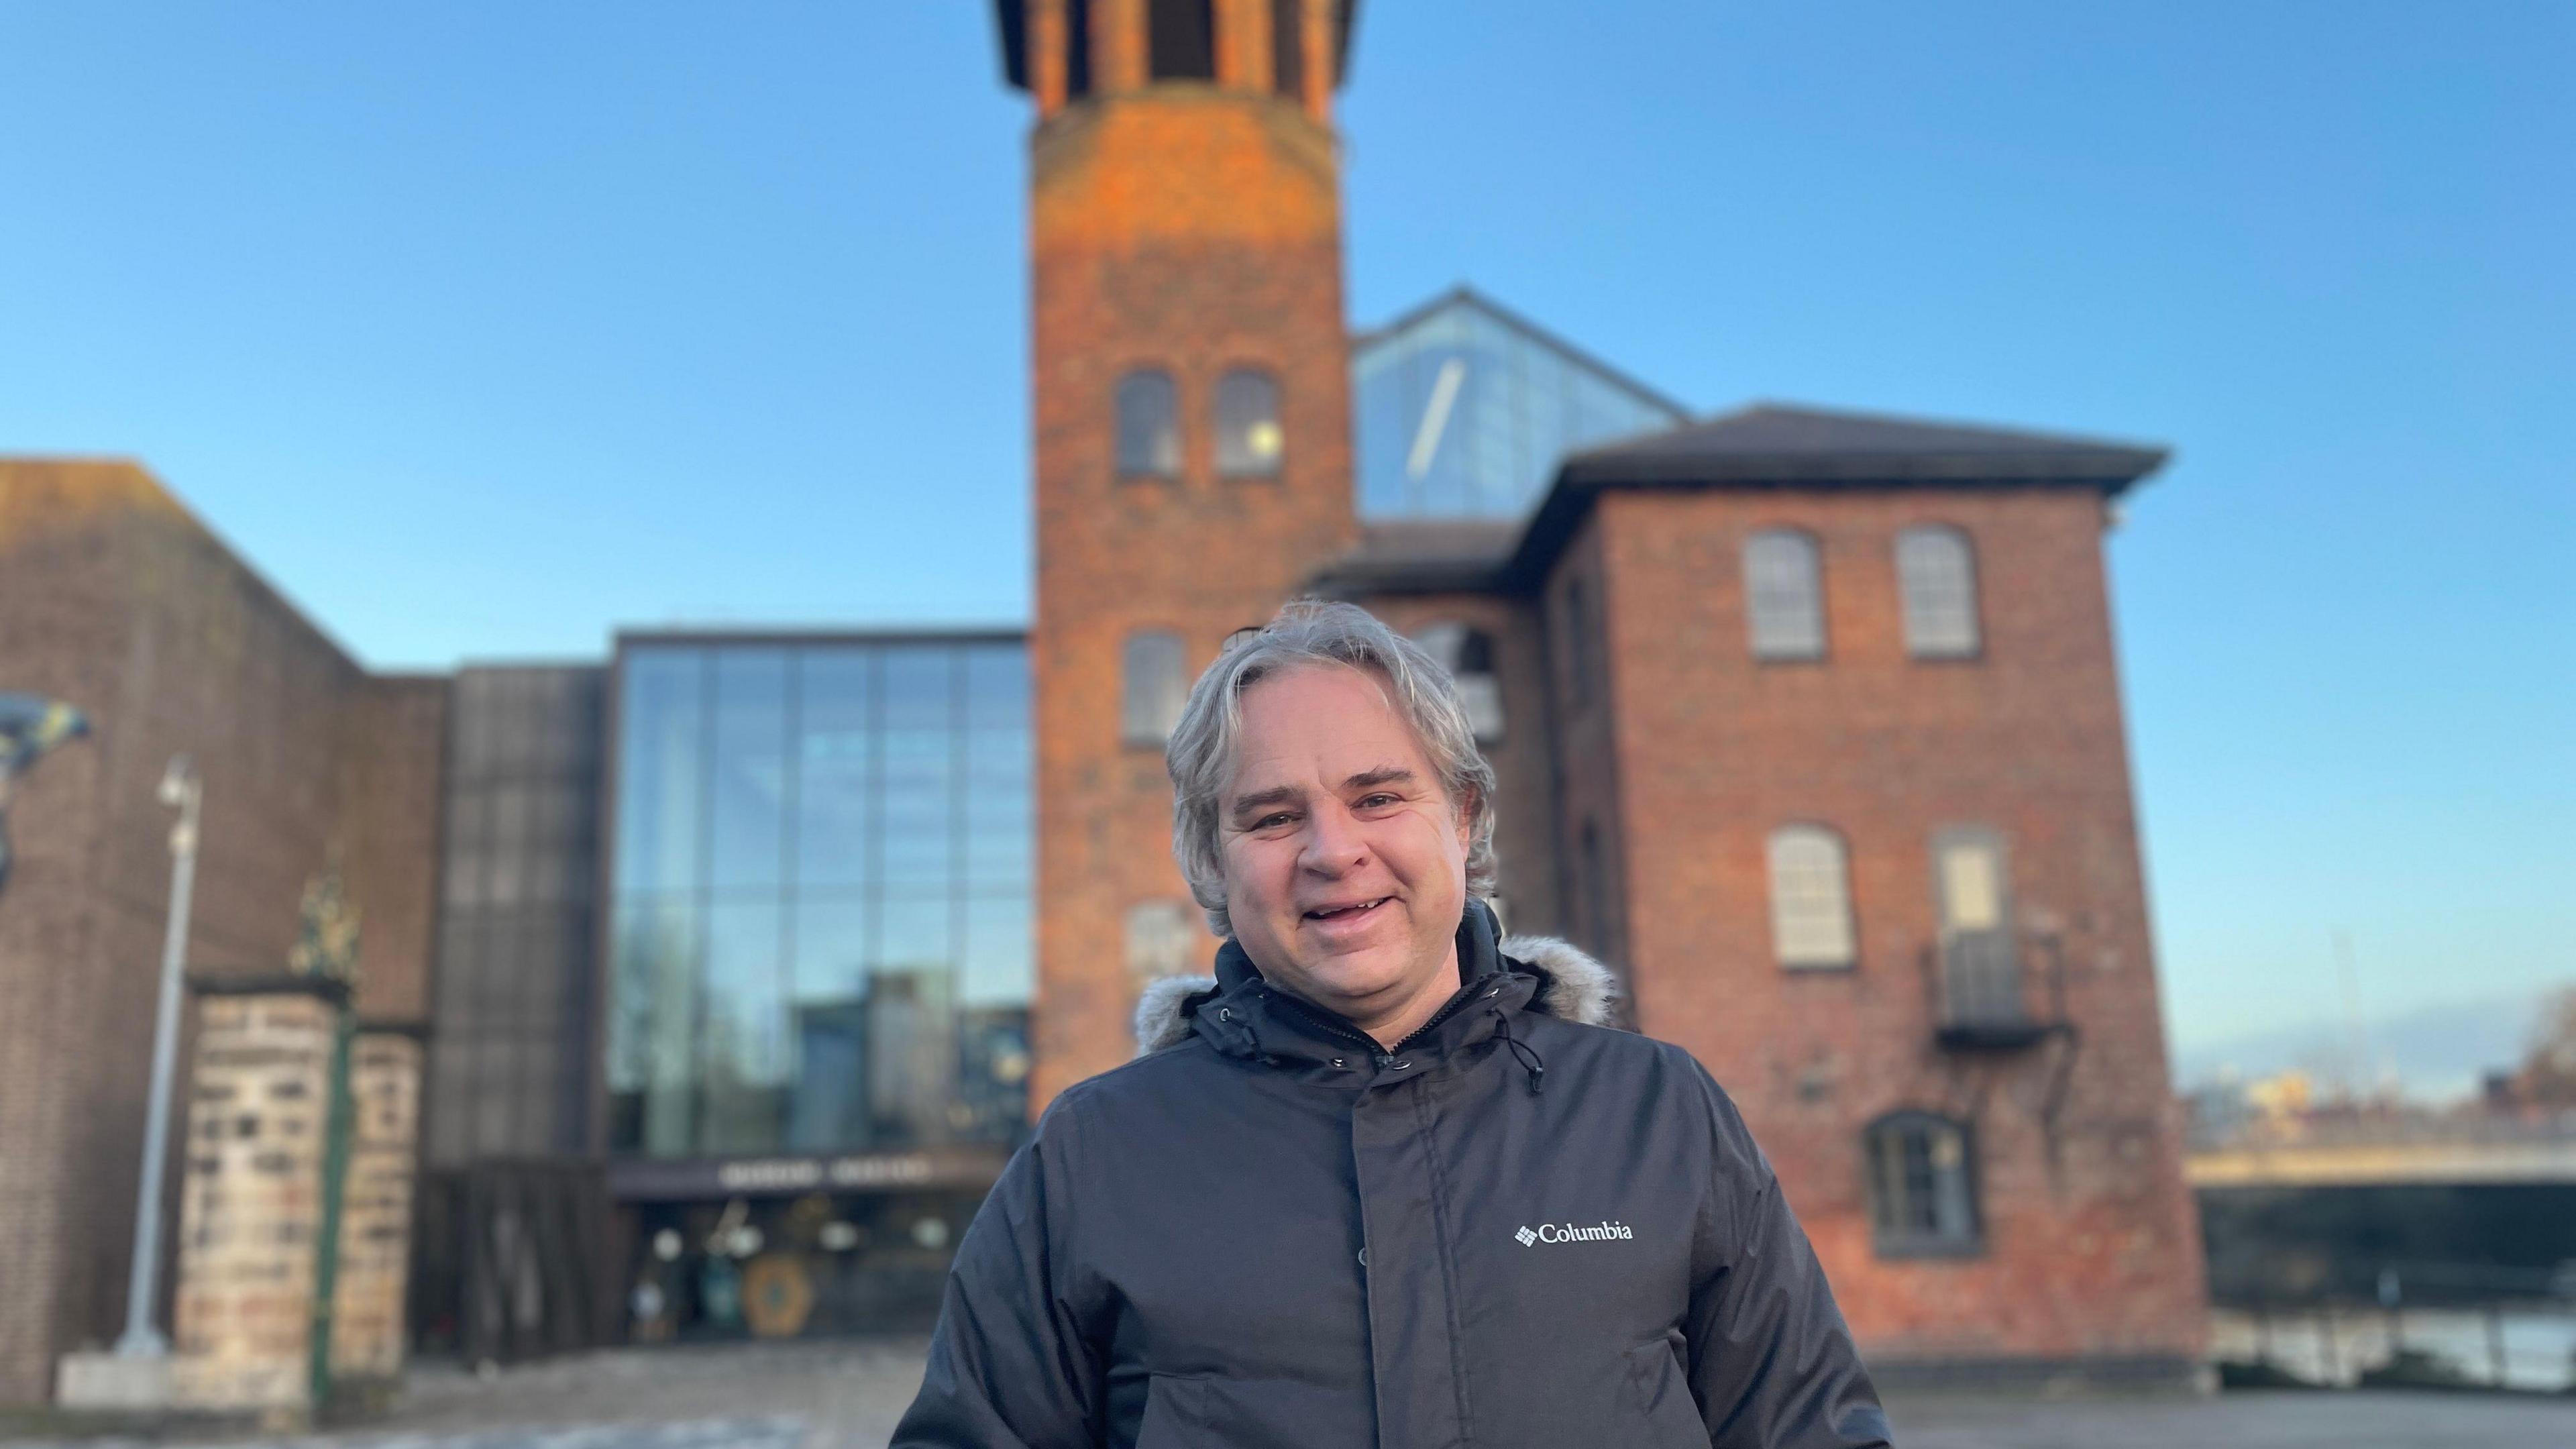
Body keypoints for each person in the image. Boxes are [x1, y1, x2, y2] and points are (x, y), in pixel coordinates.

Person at [894, 600, 1892, 1448]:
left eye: (1379, 797)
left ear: (1462, 818)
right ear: (1211, 859)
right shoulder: (1094, 1156)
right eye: (1273, 817)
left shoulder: (1657, 1113)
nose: (1334, 851)